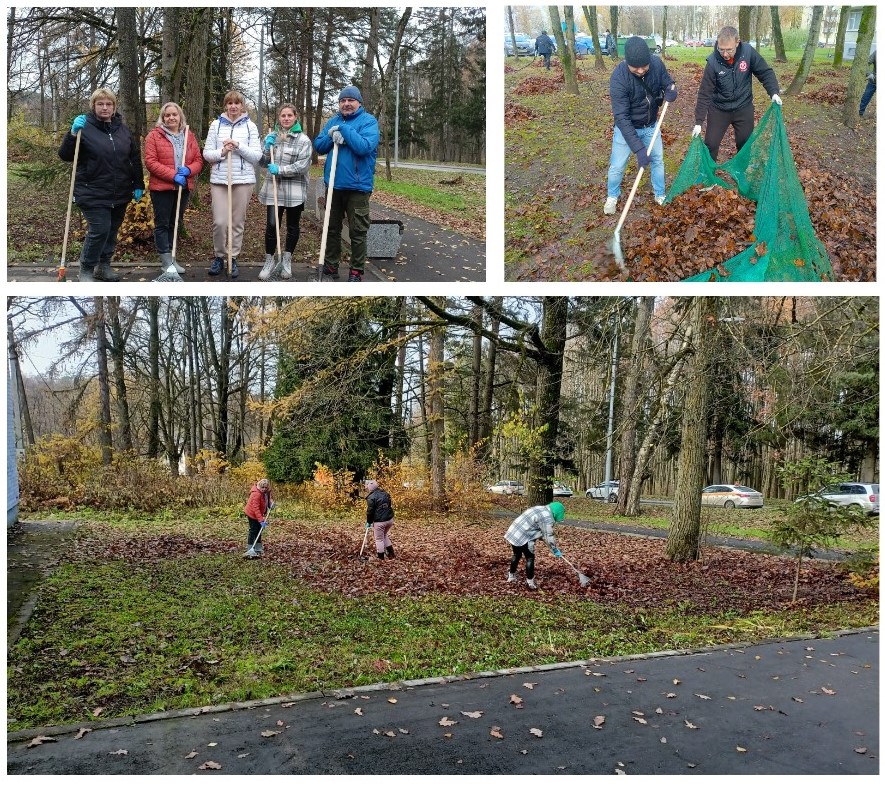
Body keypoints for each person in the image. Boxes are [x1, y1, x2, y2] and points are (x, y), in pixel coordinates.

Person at [58, 88, 145, 282]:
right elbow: (65, 155)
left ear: (114, 107)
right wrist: (72, 134)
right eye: (100, 104)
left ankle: (103, 267)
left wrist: (138, 183)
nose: (105, 108)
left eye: (108, 104)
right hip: (91, 190)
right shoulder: (84, 127)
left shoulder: (123, 129)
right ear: (93, 106)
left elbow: (134, 158)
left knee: (112, 231)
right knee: (100, 230)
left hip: (120, 191)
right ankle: (86, 269)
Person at [604, 36, 677, 215]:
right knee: (617, 165)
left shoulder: (656, 64)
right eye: (635, 67)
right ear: (627, 62)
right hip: (627, 129)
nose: (641, 70)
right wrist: (638, 149)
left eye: (644, 66)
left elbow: (668, 82)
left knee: (658, 160)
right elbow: (621, 117)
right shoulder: (619, 78)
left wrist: (671, 89)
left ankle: (660, 194)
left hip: (651, 126)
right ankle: (612, 196)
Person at [314, 86, 380, 282]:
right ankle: (330, 266)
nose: (346, 104)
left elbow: (364, 147)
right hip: (334, 185)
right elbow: (319, 146)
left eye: (351, 100)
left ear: (359, 102)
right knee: (331, 228)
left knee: (357, 231)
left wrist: (344, 130)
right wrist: (330, 135)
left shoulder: (369, 121)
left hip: (358, 187)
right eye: (343, 101)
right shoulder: (333, 121)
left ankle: (356, 271)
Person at [693, 26, 781, 162]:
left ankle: (741, 170)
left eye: (729, 50)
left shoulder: (748, 53)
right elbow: (705, 92)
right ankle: (708, 173)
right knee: (711, 144)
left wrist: (773, 92)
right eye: (721, 49)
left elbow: (765, 72)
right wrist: (699, 122)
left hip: (743, 107)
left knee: (745, 144)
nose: (725, 54)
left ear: (737, 42)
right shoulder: (712, 62)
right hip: (719, 109)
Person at [202, 90, 263, 278]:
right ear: (225, 105)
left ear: (242, 106)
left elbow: (256, 156)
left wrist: (237, 145)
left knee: (237, 222)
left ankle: (233, 257)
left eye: (237, 103)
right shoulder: (216, 125)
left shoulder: (251, 127)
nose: (233, 106)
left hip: (243, 180)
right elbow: (207, 154)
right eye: (230, 103)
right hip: (220, 180)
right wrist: (222, 151)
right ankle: (219, 256)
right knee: (220, 222)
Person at [144, 102, 203, 274]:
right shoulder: (154, 136)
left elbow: (198, 160)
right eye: (167, 115)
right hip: (162, 188)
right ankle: (166, 262)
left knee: (174, 223)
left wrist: (189, 170)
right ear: (163, 118)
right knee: (162, 224)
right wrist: (173, 175)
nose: (171, 118)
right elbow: (150, 162)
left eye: (174, 114)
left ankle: (173, 257)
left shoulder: (188, 136)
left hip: (183, 188)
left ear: (180, 116)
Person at [257, 103, 312, 280]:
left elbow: (303, 166)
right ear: (279, 118)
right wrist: (266, 147)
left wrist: (280, 170)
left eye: (289, 115)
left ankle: (286, 260)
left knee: (292, 226)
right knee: (272, 226)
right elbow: (262, 162)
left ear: (295, 117)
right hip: (274, 190)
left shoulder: (303, 140)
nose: (286, 118)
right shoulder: (272, 137)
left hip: (295, 191)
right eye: (283, 115)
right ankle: (269, 261)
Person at [505, 501, 565, 590]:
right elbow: (548, 536)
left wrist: (541, 536)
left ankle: (511, 577)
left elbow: (535, 526)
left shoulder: (540, 508)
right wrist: (554, 550)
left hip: (514, 532)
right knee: (530, 558)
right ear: (556, 513)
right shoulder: (547, 518)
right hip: (524, 536)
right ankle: (530, 583)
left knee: (516, 555)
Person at [364, 480, 395, 560]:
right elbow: (389, 505)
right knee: (384, 535)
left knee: (379, 539)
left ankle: (381, 558)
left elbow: (370, 511)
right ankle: (391, 554)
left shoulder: (371, 497)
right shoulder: (385, 493)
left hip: (380, 522)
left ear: (370, 488)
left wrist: (369, 522)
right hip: (390, 519)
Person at [243, 478, 274, 558]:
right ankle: (250, 549)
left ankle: (258, 548)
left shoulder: (266, 492)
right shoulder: (256, 494)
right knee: (253, 530)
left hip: (259, 514)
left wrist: (271, 503)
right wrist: (261, 520)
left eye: (266, 487)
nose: (264, 489)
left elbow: (268, 499)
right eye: (262, 487)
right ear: (259, 486)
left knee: (259, 530)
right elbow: (256, 509)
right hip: (252, 514)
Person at [860, 49, 876, 117]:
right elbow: (865, 63)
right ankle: (860, 112)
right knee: (866, 97)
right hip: (874, 80)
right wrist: (869, 74)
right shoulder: (877, 52)